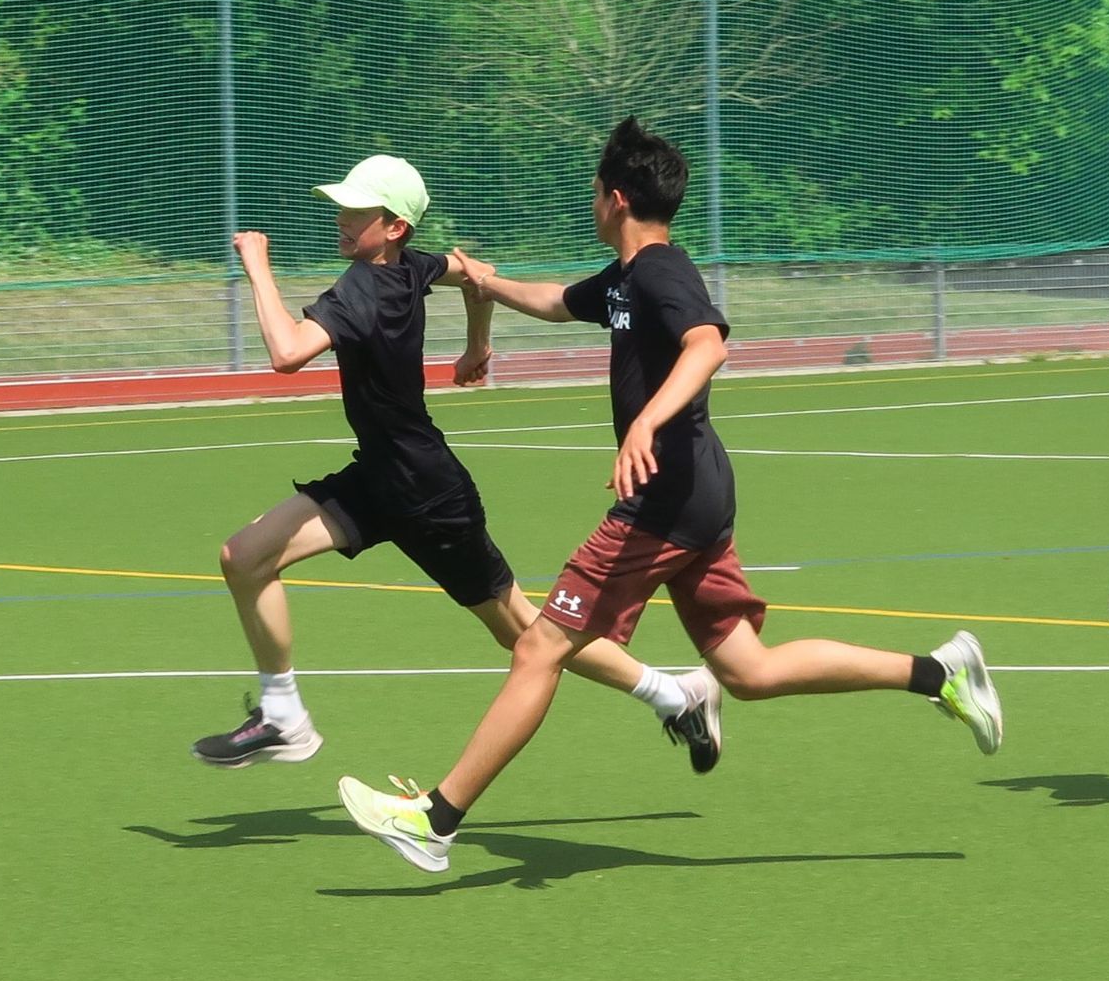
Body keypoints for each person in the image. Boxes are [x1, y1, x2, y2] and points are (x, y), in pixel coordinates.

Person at [337, 119, 1003, 874]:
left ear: (615, 199)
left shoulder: (660, 273)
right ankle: (939, 672)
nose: (592, 202)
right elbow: (556, 300)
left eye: (595, 191)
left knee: (537, 646)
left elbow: (707, 343)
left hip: (661, 502)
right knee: (747, 672)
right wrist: (484, 282)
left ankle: (435, 820)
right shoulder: (625, 279)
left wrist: (647, 423)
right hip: (697, 494)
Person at [191, 153, 722, 774]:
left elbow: (286, 353)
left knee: (524, 632)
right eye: (342, 206)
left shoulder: (362, 288)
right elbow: (475, 272)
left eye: (357, 210)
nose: (342, 218)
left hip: (426, 493)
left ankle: (676, 694)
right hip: (380, 476)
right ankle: (284, 716)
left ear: (394, 226)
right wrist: (478, 344)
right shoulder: (411, 264)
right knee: (244, 557)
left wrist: (258, 268)